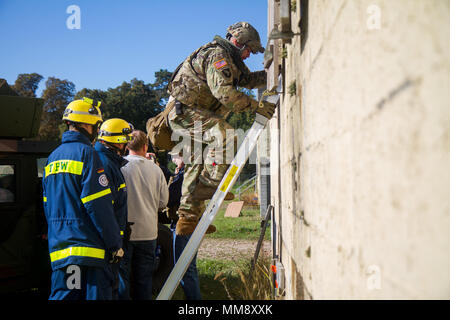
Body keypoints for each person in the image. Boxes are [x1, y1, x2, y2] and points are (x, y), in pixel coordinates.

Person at [162, 21, 277, 237]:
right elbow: (226, 95)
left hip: (194, 113)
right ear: (238, 42)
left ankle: (188, 220)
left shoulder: (231, 59)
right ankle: (210, 184)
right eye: (249, 50)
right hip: (185, 112)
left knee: (195, 163)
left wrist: (272, 74)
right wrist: (257, 107)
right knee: (226, 134)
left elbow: (248, 80)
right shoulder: (218, 56)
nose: (248, 56)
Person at [42, 97, 123, 300]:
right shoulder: (87, 154)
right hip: (90, 252)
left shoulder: (52, 158)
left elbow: (47, 205)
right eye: (96, 125)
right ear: (86, 124)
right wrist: (115, 244)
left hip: (61, 249)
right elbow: (98, 205)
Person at [119, 130, 169, 300]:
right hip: (149, 232)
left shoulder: (120, 166)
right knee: (144, 279)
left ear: (126, 146)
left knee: (123, 279)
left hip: (125, 231)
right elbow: (163, 202)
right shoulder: (156, 170)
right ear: (145, 146)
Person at [94, 118, 134, 299]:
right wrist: (115, 243)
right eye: (126, 140)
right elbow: (105, 209)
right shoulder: (106, 164)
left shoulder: (108, 161)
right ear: (119, 142)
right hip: (108, 245)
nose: (127, 145)